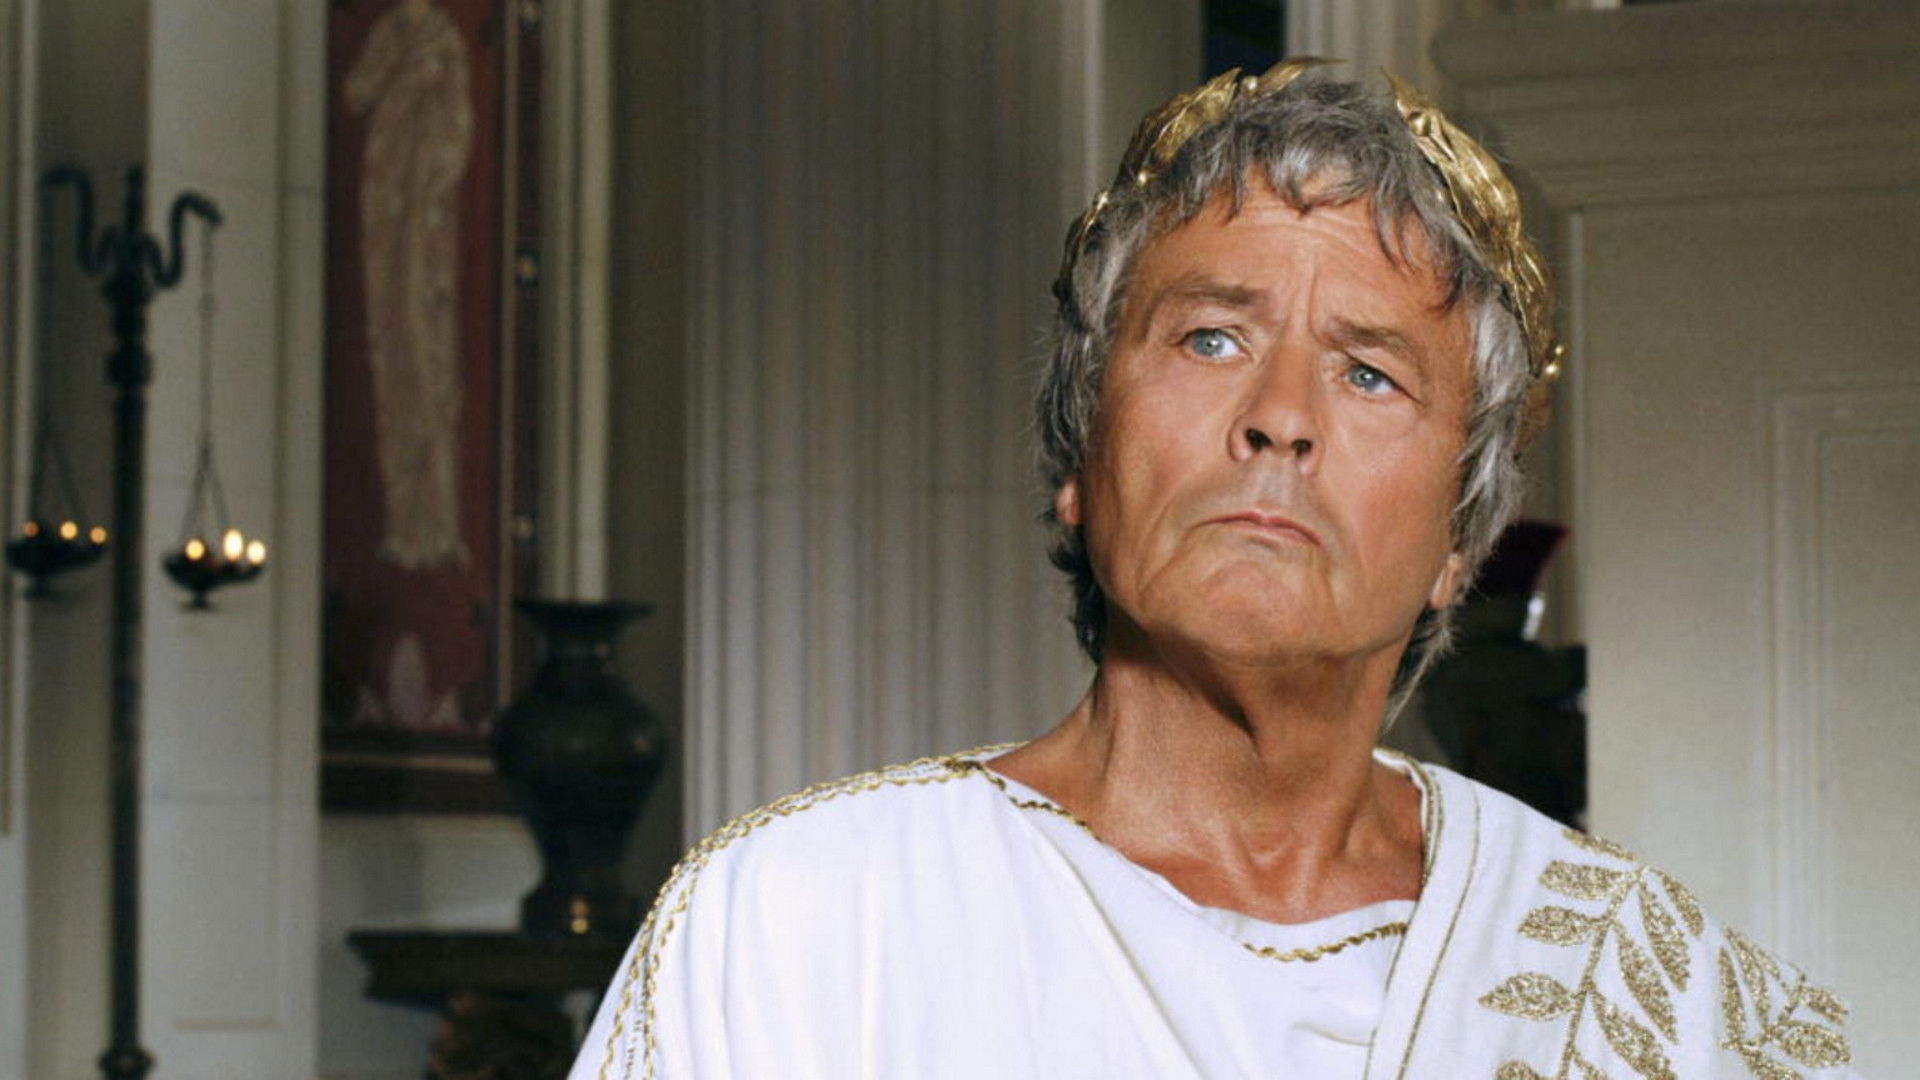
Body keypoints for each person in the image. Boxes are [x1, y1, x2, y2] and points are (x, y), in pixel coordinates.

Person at [569, 63, 1860, 1080]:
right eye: (1209, 339)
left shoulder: (1649, 987)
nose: (1280, 417)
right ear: (1081, 459)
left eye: (1370, 373)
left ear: (1457, 546)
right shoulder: (799, 918)